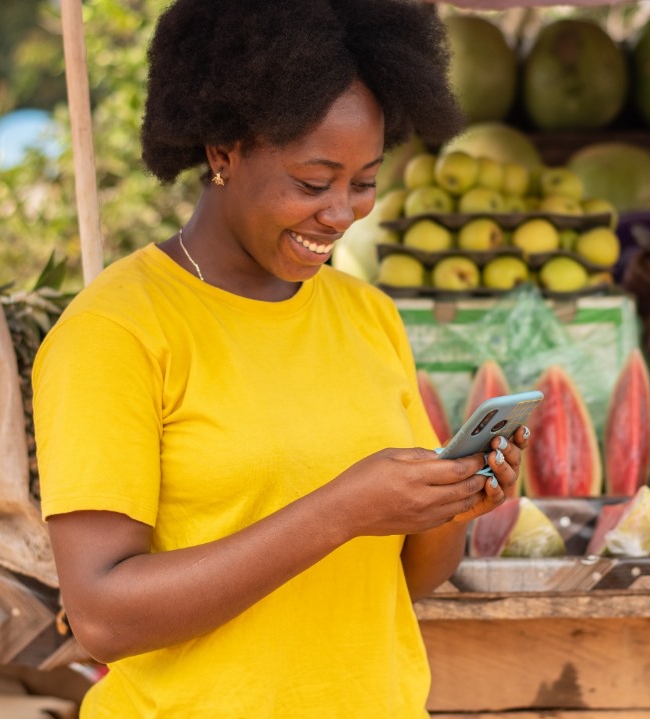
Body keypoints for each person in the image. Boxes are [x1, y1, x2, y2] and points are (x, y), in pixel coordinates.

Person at [32, 1, 532, 717]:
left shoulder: (368, 316)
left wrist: (450, 507)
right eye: (312, 180)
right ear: (223, 152)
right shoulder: (116, 330)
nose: (340, 213)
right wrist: (341, 509)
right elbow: (103, 616)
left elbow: (401, 579)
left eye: (363, 181)